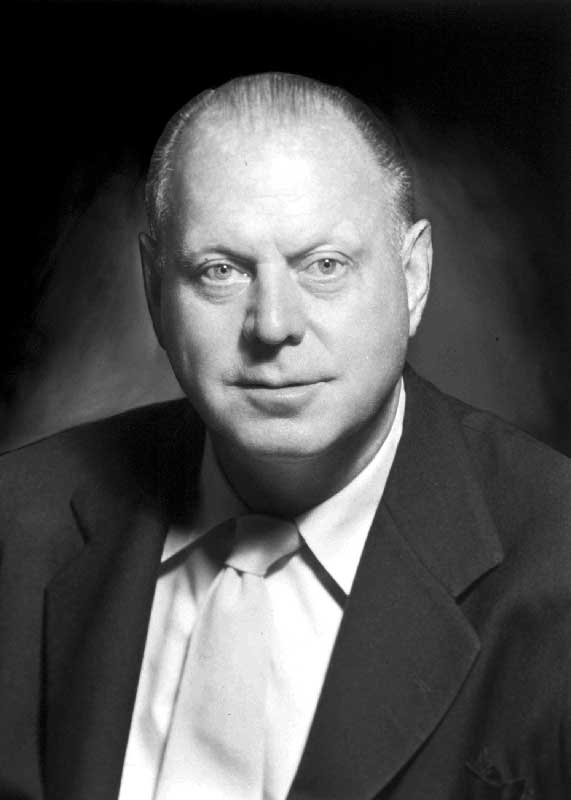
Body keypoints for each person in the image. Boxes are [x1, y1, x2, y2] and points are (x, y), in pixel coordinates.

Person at [0, 72, 569, 800]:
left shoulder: (555, 563)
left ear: (413, 275)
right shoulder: (16, 524)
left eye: (324, 266)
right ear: (153, 287)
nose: (273, 324)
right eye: (220, 271)